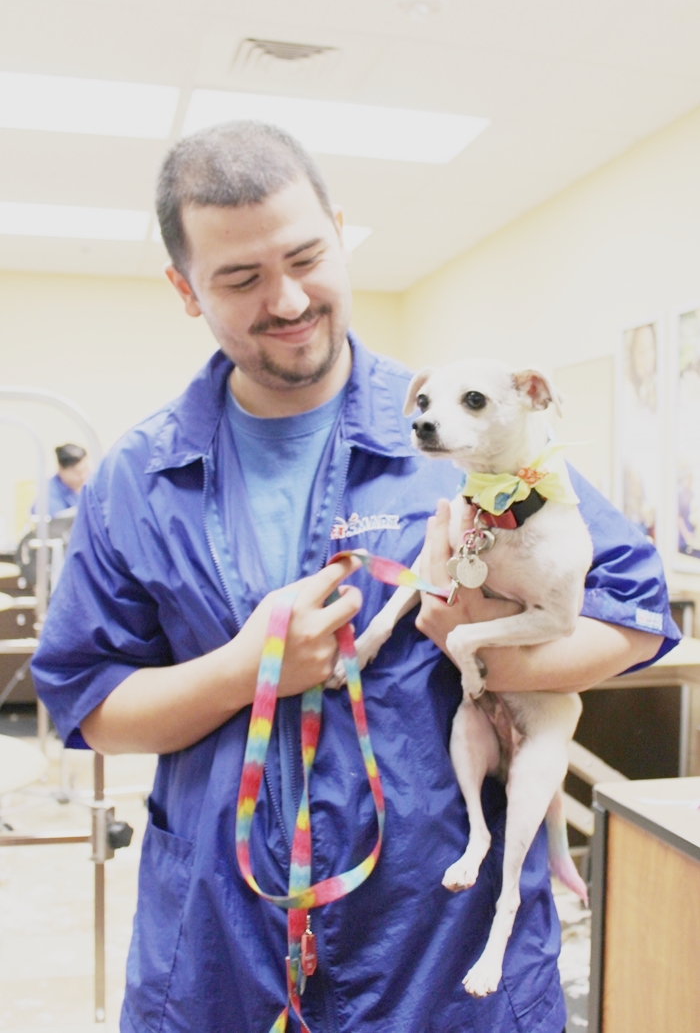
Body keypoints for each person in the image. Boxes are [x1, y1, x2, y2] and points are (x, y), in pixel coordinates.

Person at [32, 122, 679, 1033]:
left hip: (440, 943)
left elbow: (636, 615)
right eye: (241, 279)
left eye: (306, 256)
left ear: (340, 230)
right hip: (223, 937)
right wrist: (246, 667)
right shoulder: (140, 479)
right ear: (184, 289)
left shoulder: (468, 429)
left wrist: (479, 647)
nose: (289, 299)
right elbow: (87, 702)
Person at [36, 443, 90, 517]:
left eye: (85, 469)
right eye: (77, 473)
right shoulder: (48, 494)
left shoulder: (92, 482)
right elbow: (55, 523)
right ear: (61, 469)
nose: (83, 476)